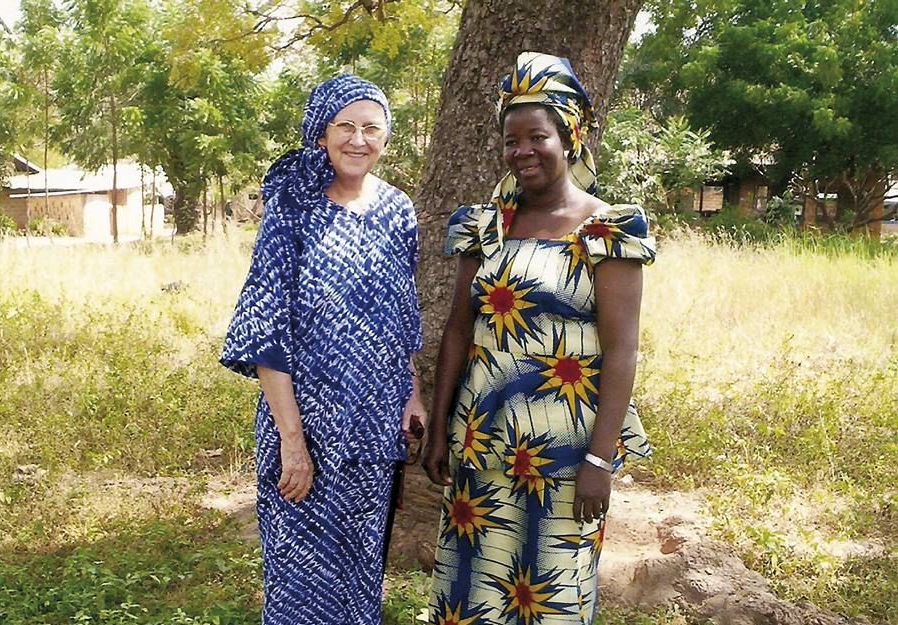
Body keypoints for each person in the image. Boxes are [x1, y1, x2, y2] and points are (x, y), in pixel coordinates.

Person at [422, 52, 656, 625]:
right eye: (511, 140)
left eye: (537, 136)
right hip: (483, 439)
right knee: (474, 589)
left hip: (568, 452)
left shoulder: (608, 228)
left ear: (569, 135)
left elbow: (622, 349)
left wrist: (601, 458)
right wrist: (439, 429)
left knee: (553, 594)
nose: (522, 151)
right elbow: (459, 330)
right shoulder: (485, 225)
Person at [219, 74, 425, 625]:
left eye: (371, 128)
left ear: (386, 137)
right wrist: (292, 442)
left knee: (359, 577)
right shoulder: (293, 209)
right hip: (304, 425)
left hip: (375, 423)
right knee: (300, 582)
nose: (358, 139)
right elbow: (266, 331)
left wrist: (414, 394)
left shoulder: (398, 210)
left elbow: (403, 316)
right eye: (345, 126)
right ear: (321, 132)